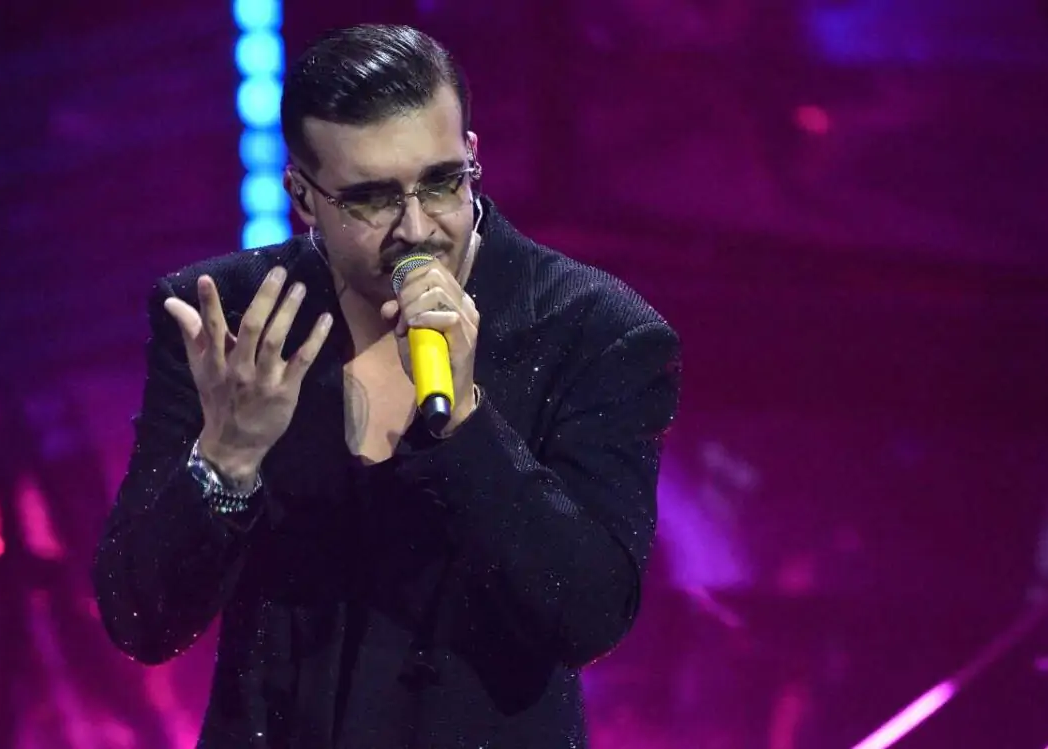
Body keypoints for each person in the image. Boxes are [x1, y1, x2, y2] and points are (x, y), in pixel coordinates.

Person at [91, 23, 681, 748]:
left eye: (441, 182)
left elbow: (587, 616)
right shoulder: (227, 321)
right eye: (371, 199)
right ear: (303, 195)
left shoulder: (591, 330)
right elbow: (141, 620)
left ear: (472, 155)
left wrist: (466, 425)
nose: (416, 227)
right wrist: (228, 458)